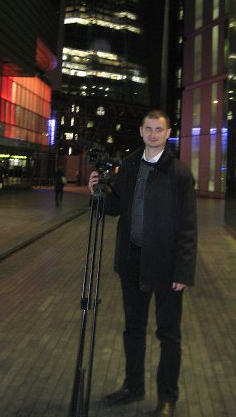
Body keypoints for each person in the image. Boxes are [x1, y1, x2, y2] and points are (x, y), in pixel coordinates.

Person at [88, 109, 197, 417]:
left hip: (166, 265)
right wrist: (96, 192)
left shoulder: (179, 173)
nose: (153, 134)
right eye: (148, 129)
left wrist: (183, 271)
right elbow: (116, 207)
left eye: (159, 129)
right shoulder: (130, 166)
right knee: (133, 329)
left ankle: (167, 398)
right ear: (141, 131)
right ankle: (132, 387)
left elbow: (188, 227)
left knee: (169, 334)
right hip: (132, 261)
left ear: (168, 133)